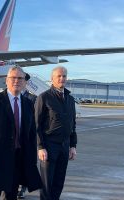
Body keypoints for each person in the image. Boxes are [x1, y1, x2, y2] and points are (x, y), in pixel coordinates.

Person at [0, 66, 41, 200]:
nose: (17, 81)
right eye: (13, 78)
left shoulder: (28, 104)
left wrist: (31, 160)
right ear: (7, 80)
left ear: (25, 82)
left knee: (11, 194)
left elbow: (31, 133)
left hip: (18, 158)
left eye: (20, 78)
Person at [35, 66, 77, 200]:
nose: (62, 78)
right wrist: (41, 146)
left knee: (59, 183)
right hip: (49, 145)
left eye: (64, 76)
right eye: (58, 76)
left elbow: (72, 124)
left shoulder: (70, 99)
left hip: (64, 146)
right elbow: (36, 125)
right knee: (47, 184)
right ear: (52, 79)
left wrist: (73, 145)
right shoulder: (44, 97)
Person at [17, 73, 37, 199]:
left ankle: (22, 189)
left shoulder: (32, 98)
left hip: (26, 136)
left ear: (26, 83)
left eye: (23, 80)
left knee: (24, 164)